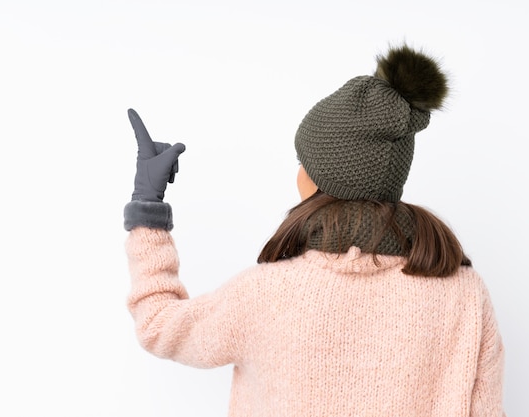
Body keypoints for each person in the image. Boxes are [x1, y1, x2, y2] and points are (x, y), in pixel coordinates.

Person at [123, 44, 506, 416]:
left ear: (325, 179)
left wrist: (148, 210)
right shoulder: (464, 294)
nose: (298, 173)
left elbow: (158, 325)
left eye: (303, 161)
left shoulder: (266, 293)